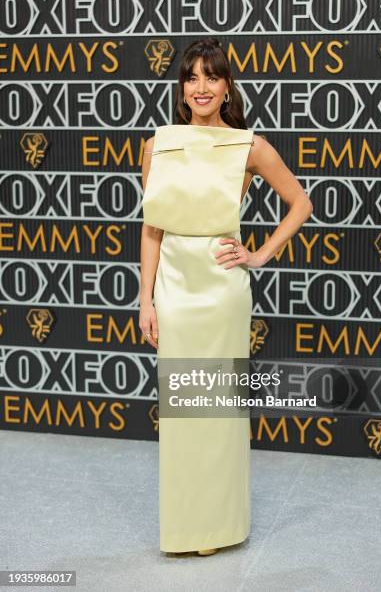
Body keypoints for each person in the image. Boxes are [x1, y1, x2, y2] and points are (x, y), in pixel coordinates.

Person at [139, 37, 313, 557]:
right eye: (191, 77)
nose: (201, 87)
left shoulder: (248, 146)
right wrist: (146, 299)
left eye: (211, 77)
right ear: (181, 87)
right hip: (173, 285)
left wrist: (259, 255)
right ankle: (185, 526)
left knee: (215, 409)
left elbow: (300, 203)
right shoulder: (158, 144)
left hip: (221, 292)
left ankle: (218, 526)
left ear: (227, 85)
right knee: (181, 409)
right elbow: (152, 229)